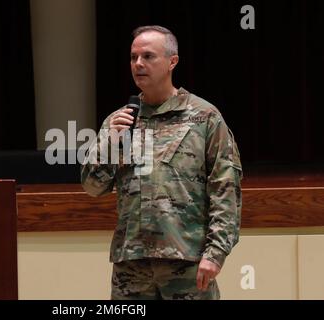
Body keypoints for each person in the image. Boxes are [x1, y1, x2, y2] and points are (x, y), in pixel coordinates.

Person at [81, 25, 242, 300]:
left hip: (186, 261)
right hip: (131, 264)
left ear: (172, 62)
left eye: (148, 56)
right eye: (133, 57)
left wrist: (215, 254)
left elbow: (225, 190)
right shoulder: (119, 121)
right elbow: (93, 187)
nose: (138, 64)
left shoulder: (204, 118)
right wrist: (110, 143)